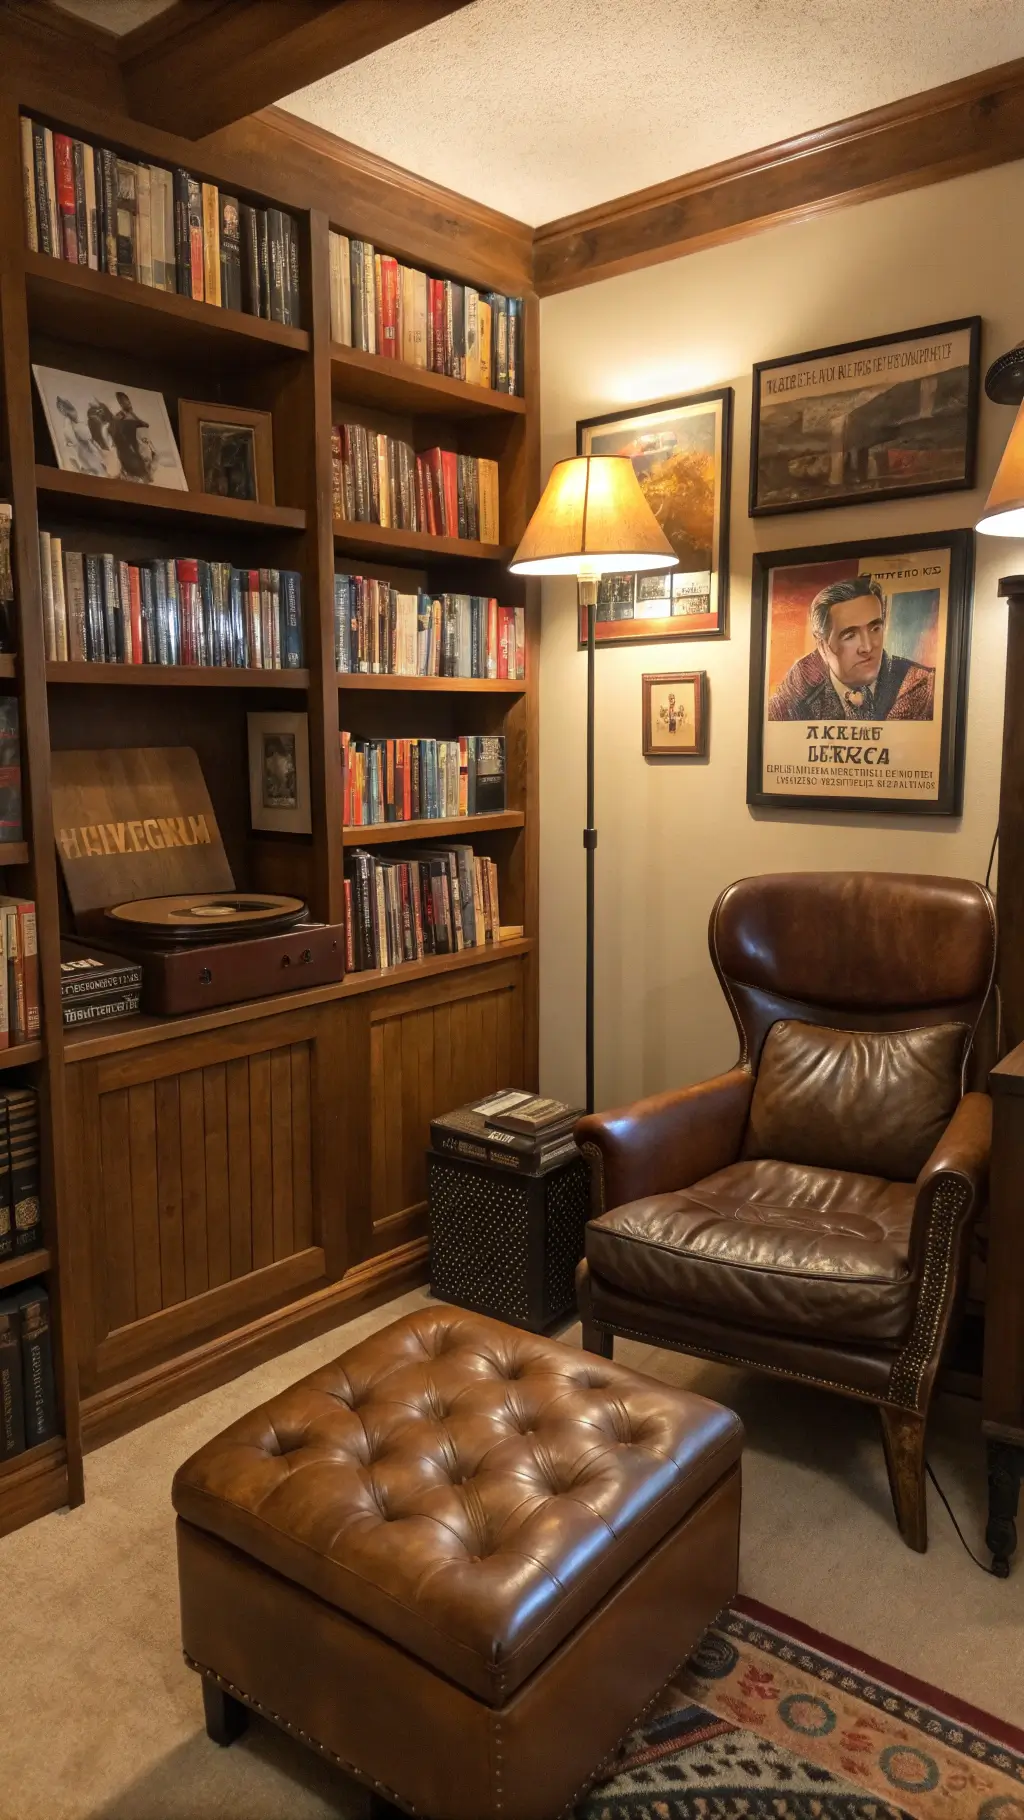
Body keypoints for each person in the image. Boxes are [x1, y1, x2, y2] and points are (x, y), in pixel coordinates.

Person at [767, 574, 934, 721]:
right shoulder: (802, 681)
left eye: (875, 629)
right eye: (850, 636)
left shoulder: (920, 684)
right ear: (822, 645)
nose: (867, 647)